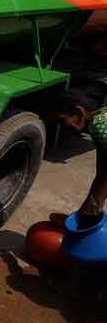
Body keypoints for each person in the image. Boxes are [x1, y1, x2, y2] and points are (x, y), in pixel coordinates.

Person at [56, 87, 107, 228]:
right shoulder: (97, 121)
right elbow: (102, 170)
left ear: (79, 113)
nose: (62, 126)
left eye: (62, 120)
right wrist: (89, 201)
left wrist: (96, 203)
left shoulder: (100, 125)